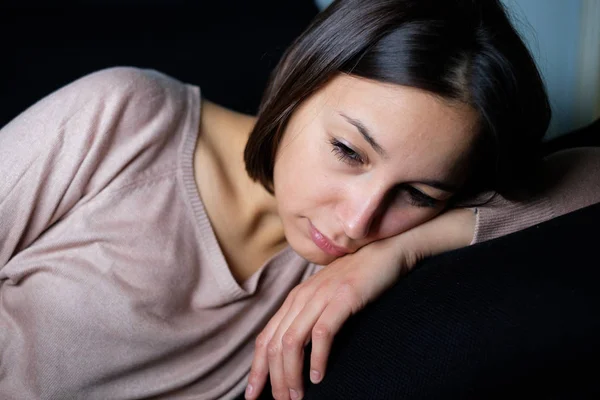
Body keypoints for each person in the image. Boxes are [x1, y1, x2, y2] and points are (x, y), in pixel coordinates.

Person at [0, 1, 598, 400]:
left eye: (415, 192)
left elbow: (588, 174)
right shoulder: (125, 119)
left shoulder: (353, 259)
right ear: (300, 80)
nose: (359, 220)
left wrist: (403, 252)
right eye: (347, 150)